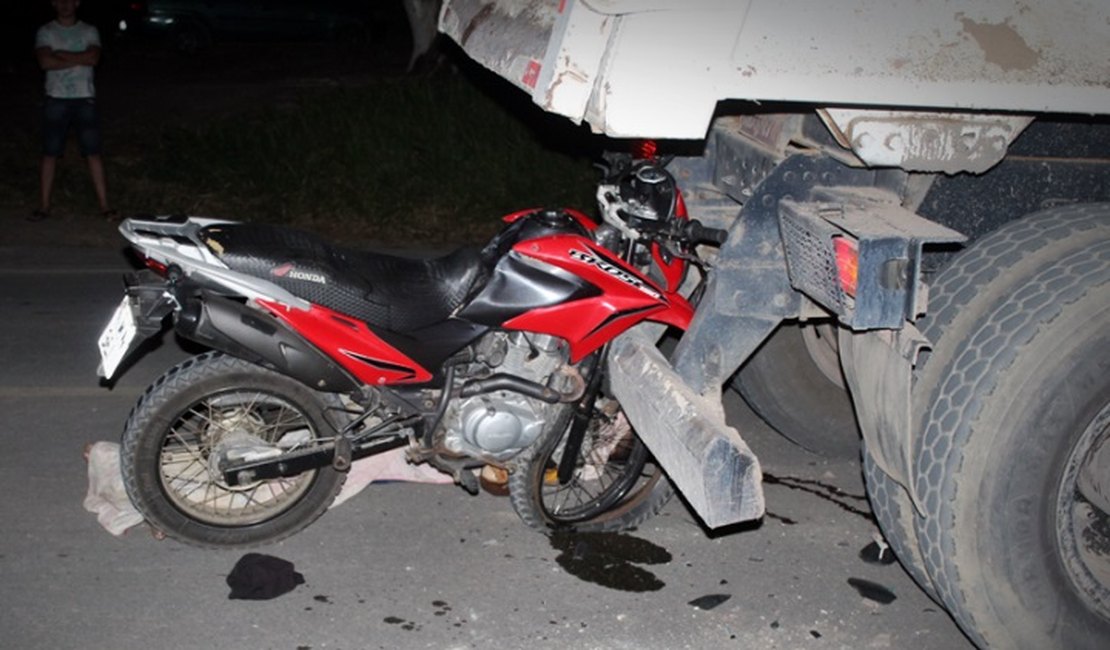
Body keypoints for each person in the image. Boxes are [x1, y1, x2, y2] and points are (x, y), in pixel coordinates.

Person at [32, 0, 115, 221]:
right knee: (49, 153)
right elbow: (45, 62)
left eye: (70, 0)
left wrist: (60, 54)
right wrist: (80, 57)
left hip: (84, 97)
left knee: (93, 152)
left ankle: (105, 207)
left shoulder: (89, 30)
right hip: (55, 98)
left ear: (77, 3)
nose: (65, 5)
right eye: (60, 0)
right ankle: (44, 207)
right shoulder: (46, 31)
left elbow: (94, 58)